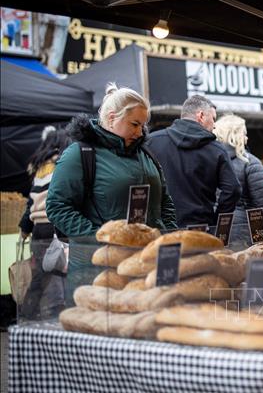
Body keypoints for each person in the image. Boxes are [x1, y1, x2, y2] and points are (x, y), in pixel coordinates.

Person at [46, 83, 177, 299]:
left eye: (143, 125)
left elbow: (165, 202)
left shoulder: (147, 155)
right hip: (96, 269)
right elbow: (57, 207)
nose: (139, 132)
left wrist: (168, 239)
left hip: (147, 265)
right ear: (112, 117)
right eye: (134, 124)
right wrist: (101, 238)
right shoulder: (80, 154)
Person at [145, 95, 241, 227]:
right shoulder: (217, 149)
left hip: (161, 230)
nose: (214, 126)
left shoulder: (151, 142)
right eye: (213, 119)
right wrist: (217, 222)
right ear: (201, 116)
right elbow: (233, 189)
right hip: (200, 231)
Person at [18, 127, 70, 319]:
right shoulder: (63, 163)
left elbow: (30, 202)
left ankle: (28, 313)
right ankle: (58, 314)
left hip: (39, 228)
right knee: (61, 271)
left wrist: (25, 229)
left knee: (41, 275)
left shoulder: (39, 166)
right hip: (57, 226)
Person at [213, 114, 263, 243]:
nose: (247, 137)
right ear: (235, 135)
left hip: (211, 229)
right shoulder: (250, 162)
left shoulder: (207, 160)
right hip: (242, 232)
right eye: (244, 133)